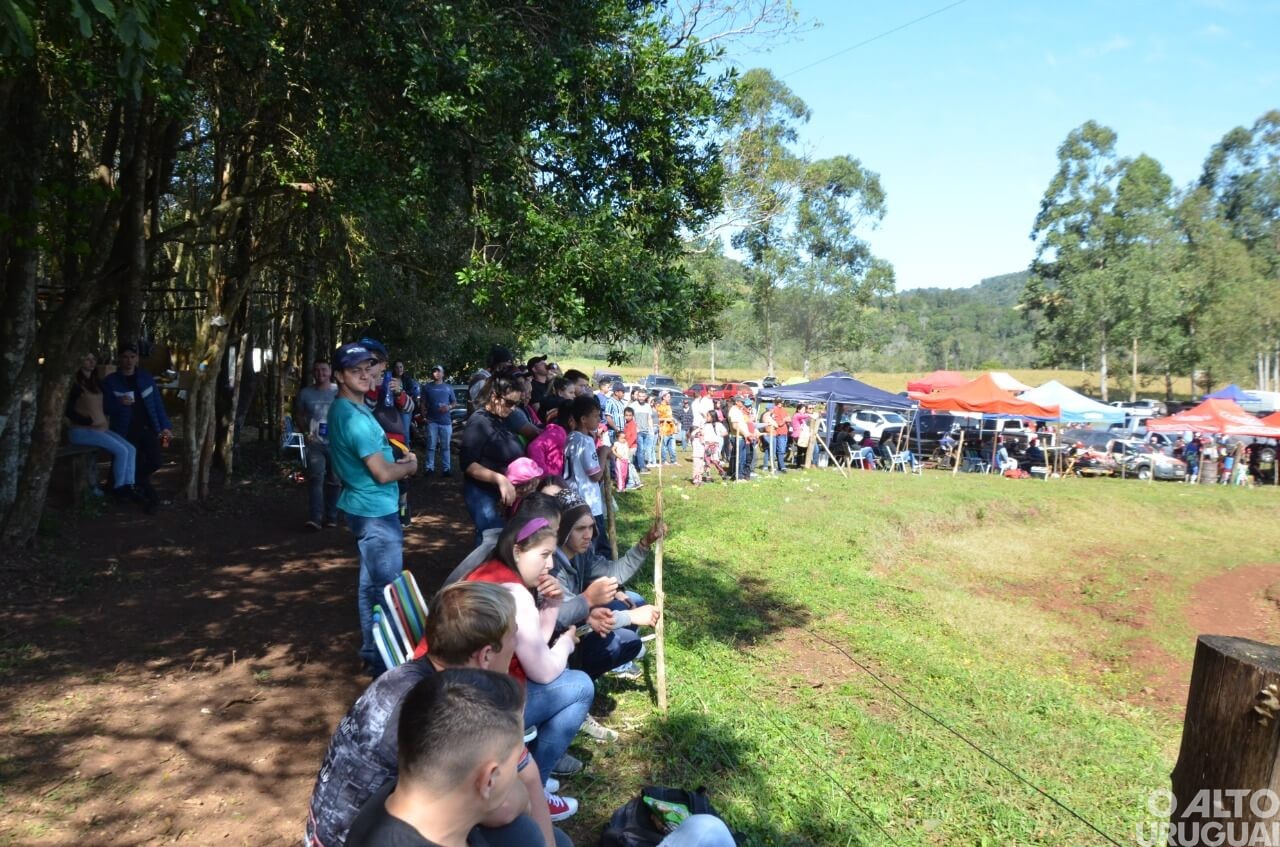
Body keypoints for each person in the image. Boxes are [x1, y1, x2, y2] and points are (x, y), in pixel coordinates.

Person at [306, 582, 563, 847]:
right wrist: (522, 778)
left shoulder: (404, 678)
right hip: (365, 838)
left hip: (340, 830)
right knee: (524, 834)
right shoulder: (451, 707)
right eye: (514, 635)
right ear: (486, 655)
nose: (516, 643)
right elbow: (505, 807)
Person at [463, 514, 593, 821]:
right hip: (483, 710)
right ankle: (537, 785)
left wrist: (553, 604)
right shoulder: (515, 593)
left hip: (467, 694)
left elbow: (532, 643)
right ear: (518, 551)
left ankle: (529, 773)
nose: (550, 565)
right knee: (580, 686)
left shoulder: (492, 571)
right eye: (544, 555)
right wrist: (568, 643)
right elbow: (543, 671)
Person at [341, 668, 530, 847]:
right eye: (515, 762)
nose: (516, 774)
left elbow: (514, 801)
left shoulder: (414, 792)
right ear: (489, 780)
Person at [328, 341, 419, 674]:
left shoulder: (349, 409)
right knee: (388, 590)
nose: (366, 375)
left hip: (363, 506)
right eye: (356, 370)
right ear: (339, 376)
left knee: (370, 587)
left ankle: (373, 653)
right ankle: (389, 665)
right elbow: (381, 472)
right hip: (375, 512)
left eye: (369, 368)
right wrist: (409, 466)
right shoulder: (354, 419)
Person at [552, 491, 664, 688]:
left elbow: (613, 571)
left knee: (633, 599)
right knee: (623, 641)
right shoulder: (551, 567)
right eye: (580, 529)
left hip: (581, 622)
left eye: (590, 528)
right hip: (560, 639)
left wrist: (644, 543)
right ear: (564, 530)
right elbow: (569, 621)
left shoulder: (580, 553)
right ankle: (578, 682)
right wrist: (630, 617)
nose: (588, 535)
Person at [65, 352, 144, 506]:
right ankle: (119, 489)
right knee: (121, 451)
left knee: (130, 449)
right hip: (80, 430)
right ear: (79, 361)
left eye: (93, 359)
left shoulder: (96, 382)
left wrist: (121, 401)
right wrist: (84, 420)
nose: (91, 362)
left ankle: (129, 486)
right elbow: (68, 409)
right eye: (87, 359)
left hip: (100, 428)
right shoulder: (74, 384)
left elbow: (107, 404)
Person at [101, 343, 173, 508]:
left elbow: (157, 404)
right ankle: (127, 493)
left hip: (148, 427)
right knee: (125, 459)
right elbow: (104, 407)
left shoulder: (146, 377)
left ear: (137, 359)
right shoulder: (110, 381)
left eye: (132, 357)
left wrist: (165, 426)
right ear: (119, 359)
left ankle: (132, 483)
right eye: (125, 357)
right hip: (124, 429)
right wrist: (118, 403)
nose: (129, 361)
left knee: (155, 461)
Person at [460, 374, 527, 545]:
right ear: (494, 397)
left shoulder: (505, 419)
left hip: (502, 493)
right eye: (509, 403)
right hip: (481, 493)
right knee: (492, 539)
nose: (513, 408)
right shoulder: (479, 421)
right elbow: (467, 463)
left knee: (494, 540)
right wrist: (500, 479)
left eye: (517, 404)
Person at [562, 395, 611, 557]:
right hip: (589, 502)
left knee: (580, 545)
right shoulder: (585, 441)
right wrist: (603, 452)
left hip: (574, 498)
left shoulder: (571, 438)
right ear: (583, 419)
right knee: (598, 545)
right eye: (596, 416)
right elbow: (595, 475)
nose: (599, 419)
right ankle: (603, 575)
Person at [296, 359, 341, 530]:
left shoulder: (339, 391)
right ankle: (315, 518)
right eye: (316, 370)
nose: (320, 373)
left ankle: (332, 517)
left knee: (335, 480)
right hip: (314, 443)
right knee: (316, 478)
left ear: (330, 371)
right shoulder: (305, 393)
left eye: (323, 370)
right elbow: (299, 414)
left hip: (336, 443)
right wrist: (305, 431)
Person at [420, 365, 456, 477]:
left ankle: (447, 469)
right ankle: (429, 468)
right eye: (434, 371)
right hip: (432, 421)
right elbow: (422, 403)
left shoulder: (448, 387)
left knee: (446, 446)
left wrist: (448, 407)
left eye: (438, 371)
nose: (436, 373)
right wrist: (424, 417)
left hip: (446, 422)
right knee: (431, 446)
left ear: (443, 374)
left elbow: (454, 402)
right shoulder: (427, 387)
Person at [391, 361, 419, 444]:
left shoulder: (407, 379)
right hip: (393, 409)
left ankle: (406, 450)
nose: (399, 369)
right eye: (397, 367)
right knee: (394, 430)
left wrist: (400, 393)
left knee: (405, 431)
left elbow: (411, 394)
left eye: (401, 367)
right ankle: (397, 450)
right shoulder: (390, 378)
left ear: (403, 368)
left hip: (405, 409)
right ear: (394, 368)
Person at [656, 392, 678, 465]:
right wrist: (666, 420)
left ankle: (673, 460)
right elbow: (657, 418)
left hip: (671, 429)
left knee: (672, 447)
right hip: (664, 429)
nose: (670, 398)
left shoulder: (669, 406)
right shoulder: (659, 407)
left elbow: (670, 417)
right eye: (668, 397)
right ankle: (664, 460)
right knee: (664, 446)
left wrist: (674, 420)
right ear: (663, 397)